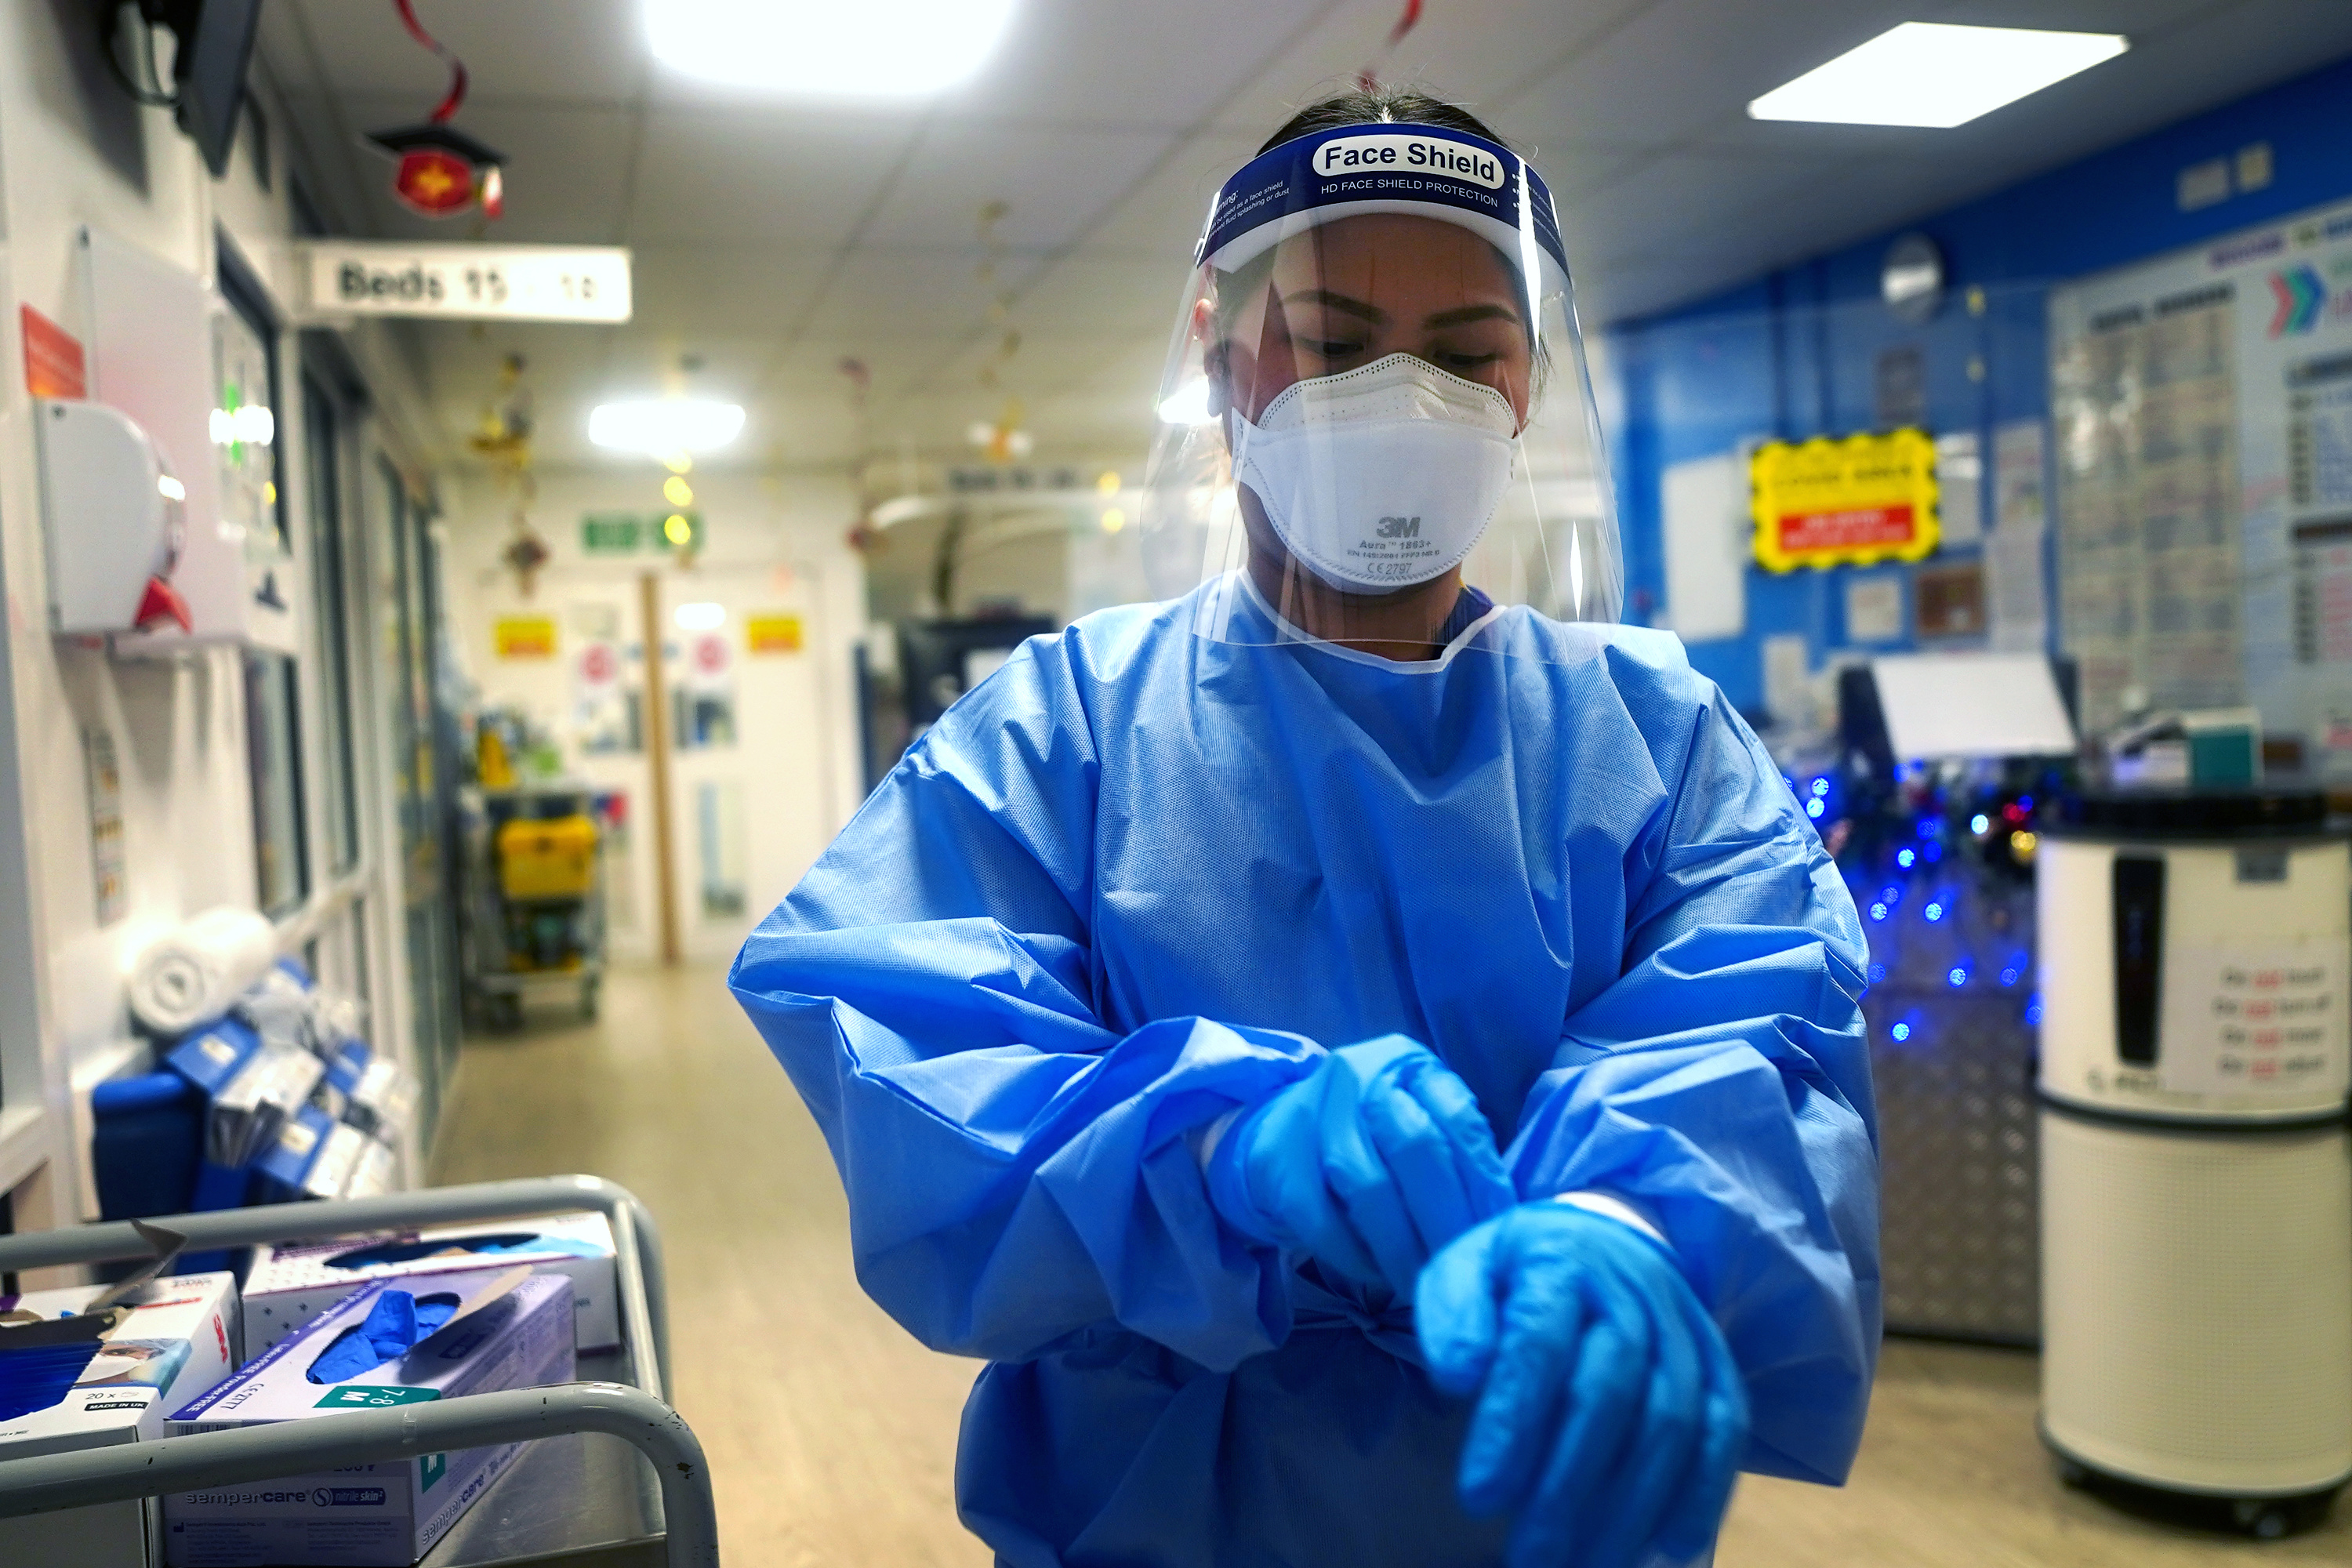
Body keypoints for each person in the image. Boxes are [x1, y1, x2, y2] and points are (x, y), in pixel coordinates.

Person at [731, 85, 1878, 1568]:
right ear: (1223, 369)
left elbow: (1766, 1046)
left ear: (1528, 388)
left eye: (1467, 354)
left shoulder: (1653, 743)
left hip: (1542, 1512)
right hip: (1161, 1511)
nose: (1406, 398)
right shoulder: (1065, 730)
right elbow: (913, 1060)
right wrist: (1215, 1155)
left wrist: (1635, 1229)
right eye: (1335, 345)